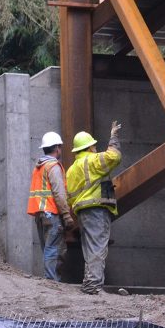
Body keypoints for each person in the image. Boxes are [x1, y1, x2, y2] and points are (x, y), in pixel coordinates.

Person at [66, 121, 122, 295]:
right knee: (98, 248)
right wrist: (113, 136)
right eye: (94, 146)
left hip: (82, 212)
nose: (95, 148)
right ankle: (93, 286)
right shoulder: (92, 161)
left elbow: (70, 195)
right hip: (96, 209)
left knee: (90, 248)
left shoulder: (71, 170)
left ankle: (91, 284)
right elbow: (114, 156)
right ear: (89, 147)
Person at [27, 132, 74, 281]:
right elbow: (59, 193)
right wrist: (66, 215)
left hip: (40, 215)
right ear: (58, 148)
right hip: (51, 214)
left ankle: (51, 280)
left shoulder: (38, 167)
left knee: (48, 249)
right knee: (54, 249)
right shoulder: (53, 166)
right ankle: (52, 282)